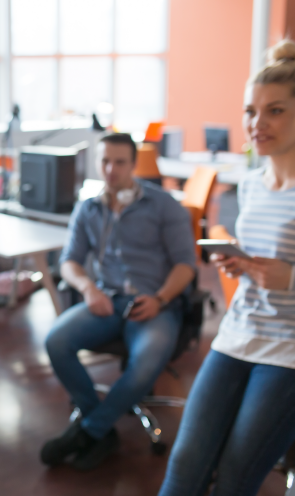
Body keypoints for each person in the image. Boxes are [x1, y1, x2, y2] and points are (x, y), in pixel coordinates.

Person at [159, 40, 295, 496]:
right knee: (185, 464)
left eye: (274, 110)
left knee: (236, 478)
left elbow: (284, 271)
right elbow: (263, 259)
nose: (258, 124)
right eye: (250, 112)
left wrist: (290, 278)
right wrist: (237, 261)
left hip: (288, 353)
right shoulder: (253, 184)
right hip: (237, 334)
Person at [41, 132, 197, 471]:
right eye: (105, 161)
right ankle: (99, 423)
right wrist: (87, 288)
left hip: (154, 303)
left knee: (146, 360)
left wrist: (160, 298)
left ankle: (90, 431)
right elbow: (69, 261)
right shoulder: (90, 207)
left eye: (120, 162)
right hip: (106, 300)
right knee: (56, 340)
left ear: (134, 164)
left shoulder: (163, 205)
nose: (111, 170)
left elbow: (187, 264)